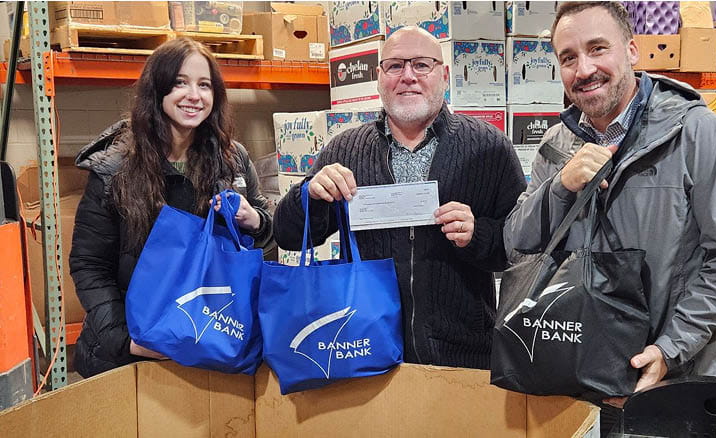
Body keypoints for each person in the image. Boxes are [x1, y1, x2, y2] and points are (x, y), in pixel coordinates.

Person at [504, 0, 716, 418]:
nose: (584, 69)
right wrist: (561, 187)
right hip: (572, 382)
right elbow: (517, 241)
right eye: (568, 57)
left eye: (597, 48)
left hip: (671, 385)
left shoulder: (699, 134)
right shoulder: (557, 143)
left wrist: (670, 349)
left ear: (632, 50)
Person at [272, 26, 527, 369]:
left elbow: (521, 249)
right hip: (362, 348)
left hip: (464, 356)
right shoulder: (344, 149)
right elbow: (288, 236)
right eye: (394, 66)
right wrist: (310, 196)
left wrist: (477, 234)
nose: (408, 76)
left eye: (422, 65)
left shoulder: (489, 147)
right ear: (379, 77)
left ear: (445, 75)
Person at [70, 38, 273, 377]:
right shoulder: (115, 168)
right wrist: (125, 340)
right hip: (130, 356)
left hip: (210, 345)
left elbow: (267, 243)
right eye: (180, 82)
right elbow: (89, 266)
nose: (194, 95)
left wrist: (256, 221)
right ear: (158, 89)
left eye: (204, 85)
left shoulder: (232, 159)